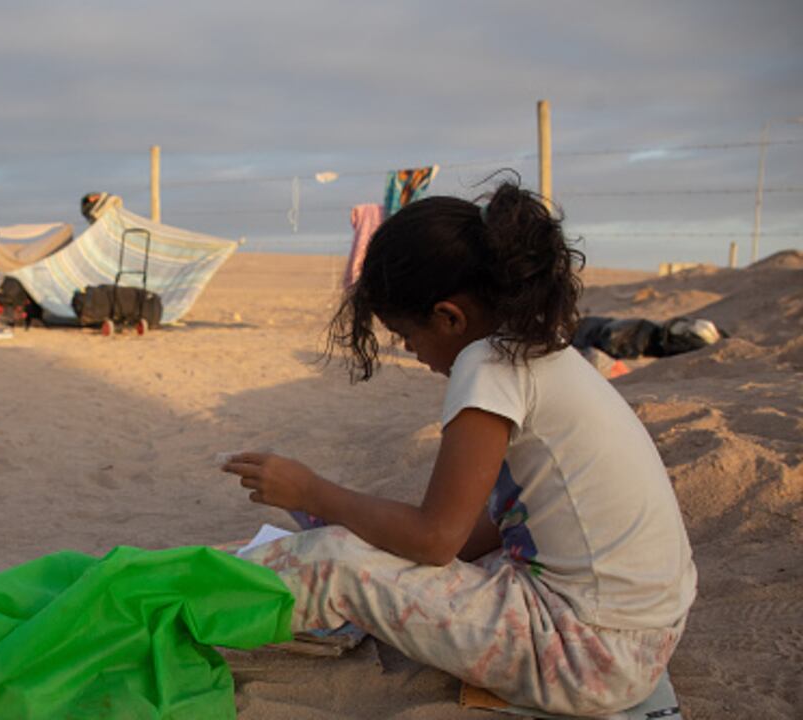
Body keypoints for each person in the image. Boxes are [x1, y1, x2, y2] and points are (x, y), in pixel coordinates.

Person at [222, 179, 696, 716]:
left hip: (588, 657)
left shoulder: (486, 365)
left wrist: (314, 492)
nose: (410, 350)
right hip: (638, 640)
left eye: (406, 334)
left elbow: (435, 540)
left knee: (335, 561)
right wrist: (351, 524)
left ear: (449, 316)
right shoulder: (544, 354)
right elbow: (488, 530)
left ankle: (170, 606)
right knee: (360, 543)